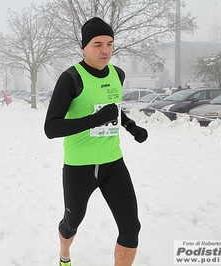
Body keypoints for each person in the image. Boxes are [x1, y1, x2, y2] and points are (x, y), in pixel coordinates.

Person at [44, 17, 148, 266]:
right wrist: (94, 120)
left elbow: (113, 110)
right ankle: (64, 254)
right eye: (97, 44)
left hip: (113, 163)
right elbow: (51, 127)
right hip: (80, 167)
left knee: (131, 227)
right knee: (72, 223)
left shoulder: (117, 74)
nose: (105, 50)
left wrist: (131, 126)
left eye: (110, 44)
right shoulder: (71, 78)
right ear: (84, 48)